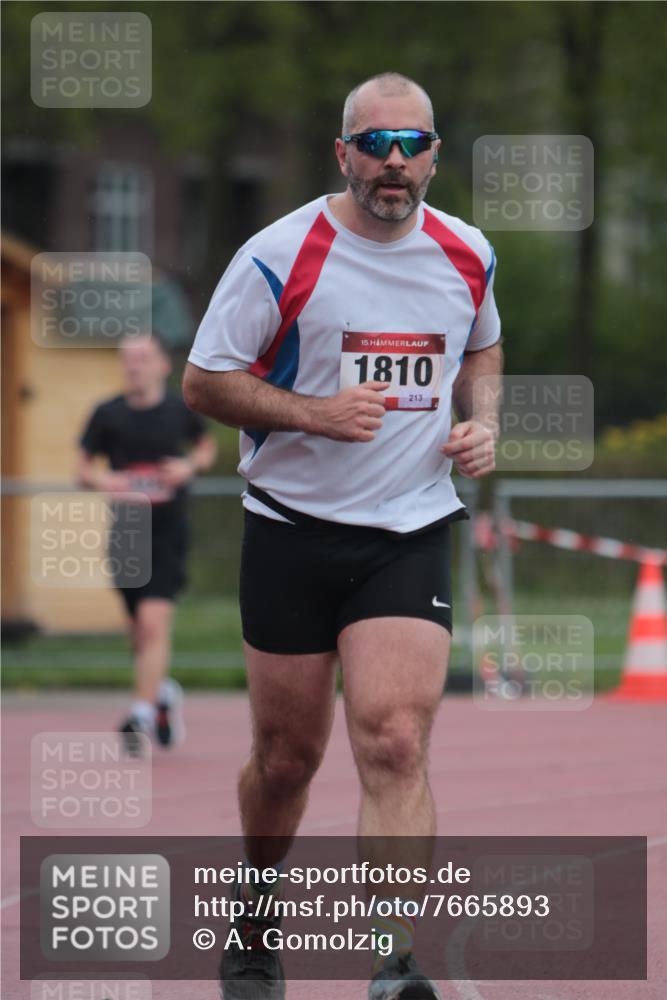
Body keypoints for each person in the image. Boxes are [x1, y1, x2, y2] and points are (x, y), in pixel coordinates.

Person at [183, 72, 502, 1000]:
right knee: (286, 760)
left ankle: (392, 963)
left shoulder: (468, 252)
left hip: (406, 526)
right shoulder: (277, 255)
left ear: (436, 155)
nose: (392, 165)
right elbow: (205, 383)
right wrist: (313, 415)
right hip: (290, 528)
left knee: (396, 739)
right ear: (343, 153)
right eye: (374, 145)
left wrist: (480, 419)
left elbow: (479, 344)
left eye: (412, 146)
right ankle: (254, 915)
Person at [77, 332, 216, 754]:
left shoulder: (179, 410)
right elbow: (83, 468)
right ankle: (162, 696)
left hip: (168, 532)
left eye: (142, 358)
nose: (134, 365)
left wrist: (188, 466)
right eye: (127, 359)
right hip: (126, 533)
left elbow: (206, 447)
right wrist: (105, 480)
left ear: (162, 364)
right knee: (139, 634)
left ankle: (139, 713)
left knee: (155, 624)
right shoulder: (106, 414)